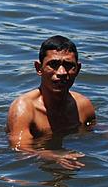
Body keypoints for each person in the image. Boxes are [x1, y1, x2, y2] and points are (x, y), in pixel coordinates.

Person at [6, 35, 95, 169]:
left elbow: (95, 130)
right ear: (38, 68)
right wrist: (54, 156)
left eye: (69, 65)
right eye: (53, 65)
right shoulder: (24, 108)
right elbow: (19, 149)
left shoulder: (83, 105)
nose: (61, 72)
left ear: (78, 69)